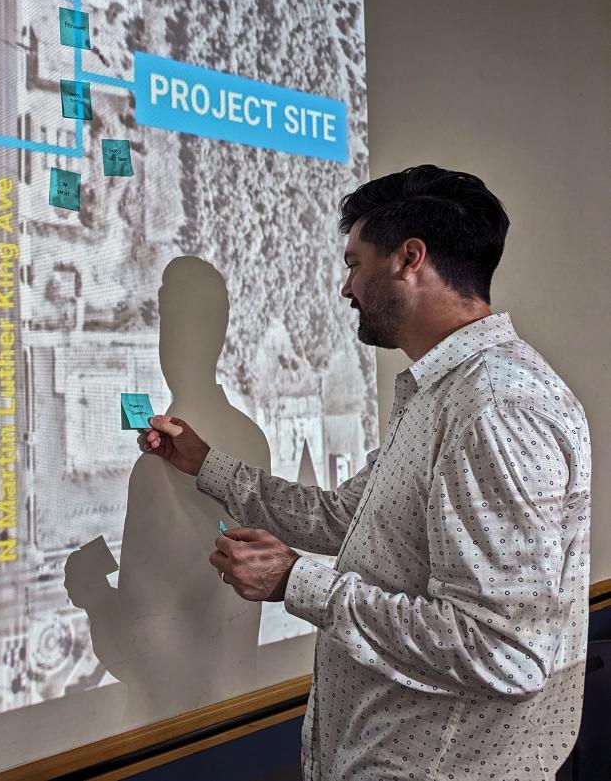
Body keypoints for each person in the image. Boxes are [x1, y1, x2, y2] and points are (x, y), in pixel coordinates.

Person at [139, 165, 590, 780]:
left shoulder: (493, 409)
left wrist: (297, 581)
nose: (346, 288)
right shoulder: (446, 396)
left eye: (354, 263)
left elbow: (504, 652)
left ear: (410, 259)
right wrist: (207, 466)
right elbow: (347, 520)